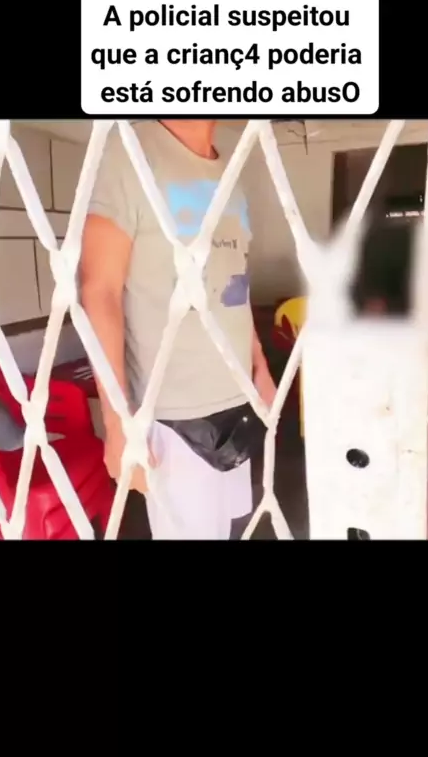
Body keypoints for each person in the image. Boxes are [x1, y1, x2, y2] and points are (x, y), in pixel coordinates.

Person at [79, 119, 277, 539]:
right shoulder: (129, 148)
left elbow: (234, 282)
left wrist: (260, 367)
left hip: (238, 398)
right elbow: (99, 289)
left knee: (228, 530)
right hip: (173, 414)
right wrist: (117, 424)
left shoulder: (228, 167)